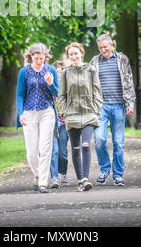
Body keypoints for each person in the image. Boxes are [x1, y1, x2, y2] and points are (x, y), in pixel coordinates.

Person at [90, 34, 136, 187]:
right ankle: (104, 170)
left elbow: (128, 80)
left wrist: (130, 102)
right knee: (99, 139)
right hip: (100, 106)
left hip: (118, 105)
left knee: (118, 142)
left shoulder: (122, 59)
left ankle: (117, 174)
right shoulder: (94, 62)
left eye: (105, 47)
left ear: (111, 45)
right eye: (101, 48)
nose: (103, 50)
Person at [58, 42, 103, 192]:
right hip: (72, 115)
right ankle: (80, 181)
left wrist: (95, 108)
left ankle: (85, 179)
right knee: (75, 147)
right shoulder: (65, 73)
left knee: (86, 144)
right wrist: (64, 112)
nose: (74, 56)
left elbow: (97, 92)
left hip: (89, 113)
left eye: (76, 53)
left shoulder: (91, 70)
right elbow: (61, 95)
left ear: (81, 54)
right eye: (71, 54)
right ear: (68, 56)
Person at [16, 43, 60, 193]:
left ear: (45, 57)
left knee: (45, 148)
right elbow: (20, 94)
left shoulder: (51, 70)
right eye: (36, 58)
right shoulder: (24, 72)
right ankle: (38, 173)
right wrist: (20, 113)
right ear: (31, 57)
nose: (39, 61)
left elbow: (56, 93)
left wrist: (50, 83)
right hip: (29, 113)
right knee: (31, 151)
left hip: (47, 112)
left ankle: (42, 182)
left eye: (42, 58)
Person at [49, 60, 69, 189]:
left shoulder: (67, 88)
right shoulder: (49, 87)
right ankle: (54, 177)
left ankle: (63, 173)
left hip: (64, 124)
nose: (59, 74)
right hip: (52, 123)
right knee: (54, 151)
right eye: (57, 72)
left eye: (61, 72)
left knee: (63, 152)